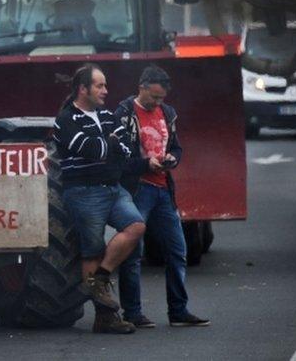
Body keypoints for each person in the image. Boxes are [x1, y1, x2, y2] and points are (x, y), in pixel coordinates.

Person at [53, 63, 147, 334]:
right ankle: (105, 318)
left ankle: (100, 278)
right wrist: (111, 145)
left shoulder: (107, 115)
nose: (106, 91)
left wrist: (112, 146)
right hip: (83, 191)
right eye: (100, 85)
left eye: (105, 85)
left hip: (113, 188)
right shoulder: (66, 119)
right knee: (92, 249)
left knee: (136, 226)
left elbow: (127, 149)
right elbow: (90, 149)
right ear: (83, 89)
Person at [116, 65, 210, 328]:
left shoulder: (168, 113)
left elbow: (177, 147)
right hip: (138, 190)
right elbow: (119, 160)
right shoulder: (123, 114)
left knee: (178, 250)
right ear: (142, 87)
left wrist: (172, 159)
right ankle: (132, 312)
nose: (157, 103)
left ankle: (178, 310)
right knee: (133, 253)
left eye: (161, 99)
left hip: (163, 190)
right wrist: (147, 165)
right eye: (154, 97)